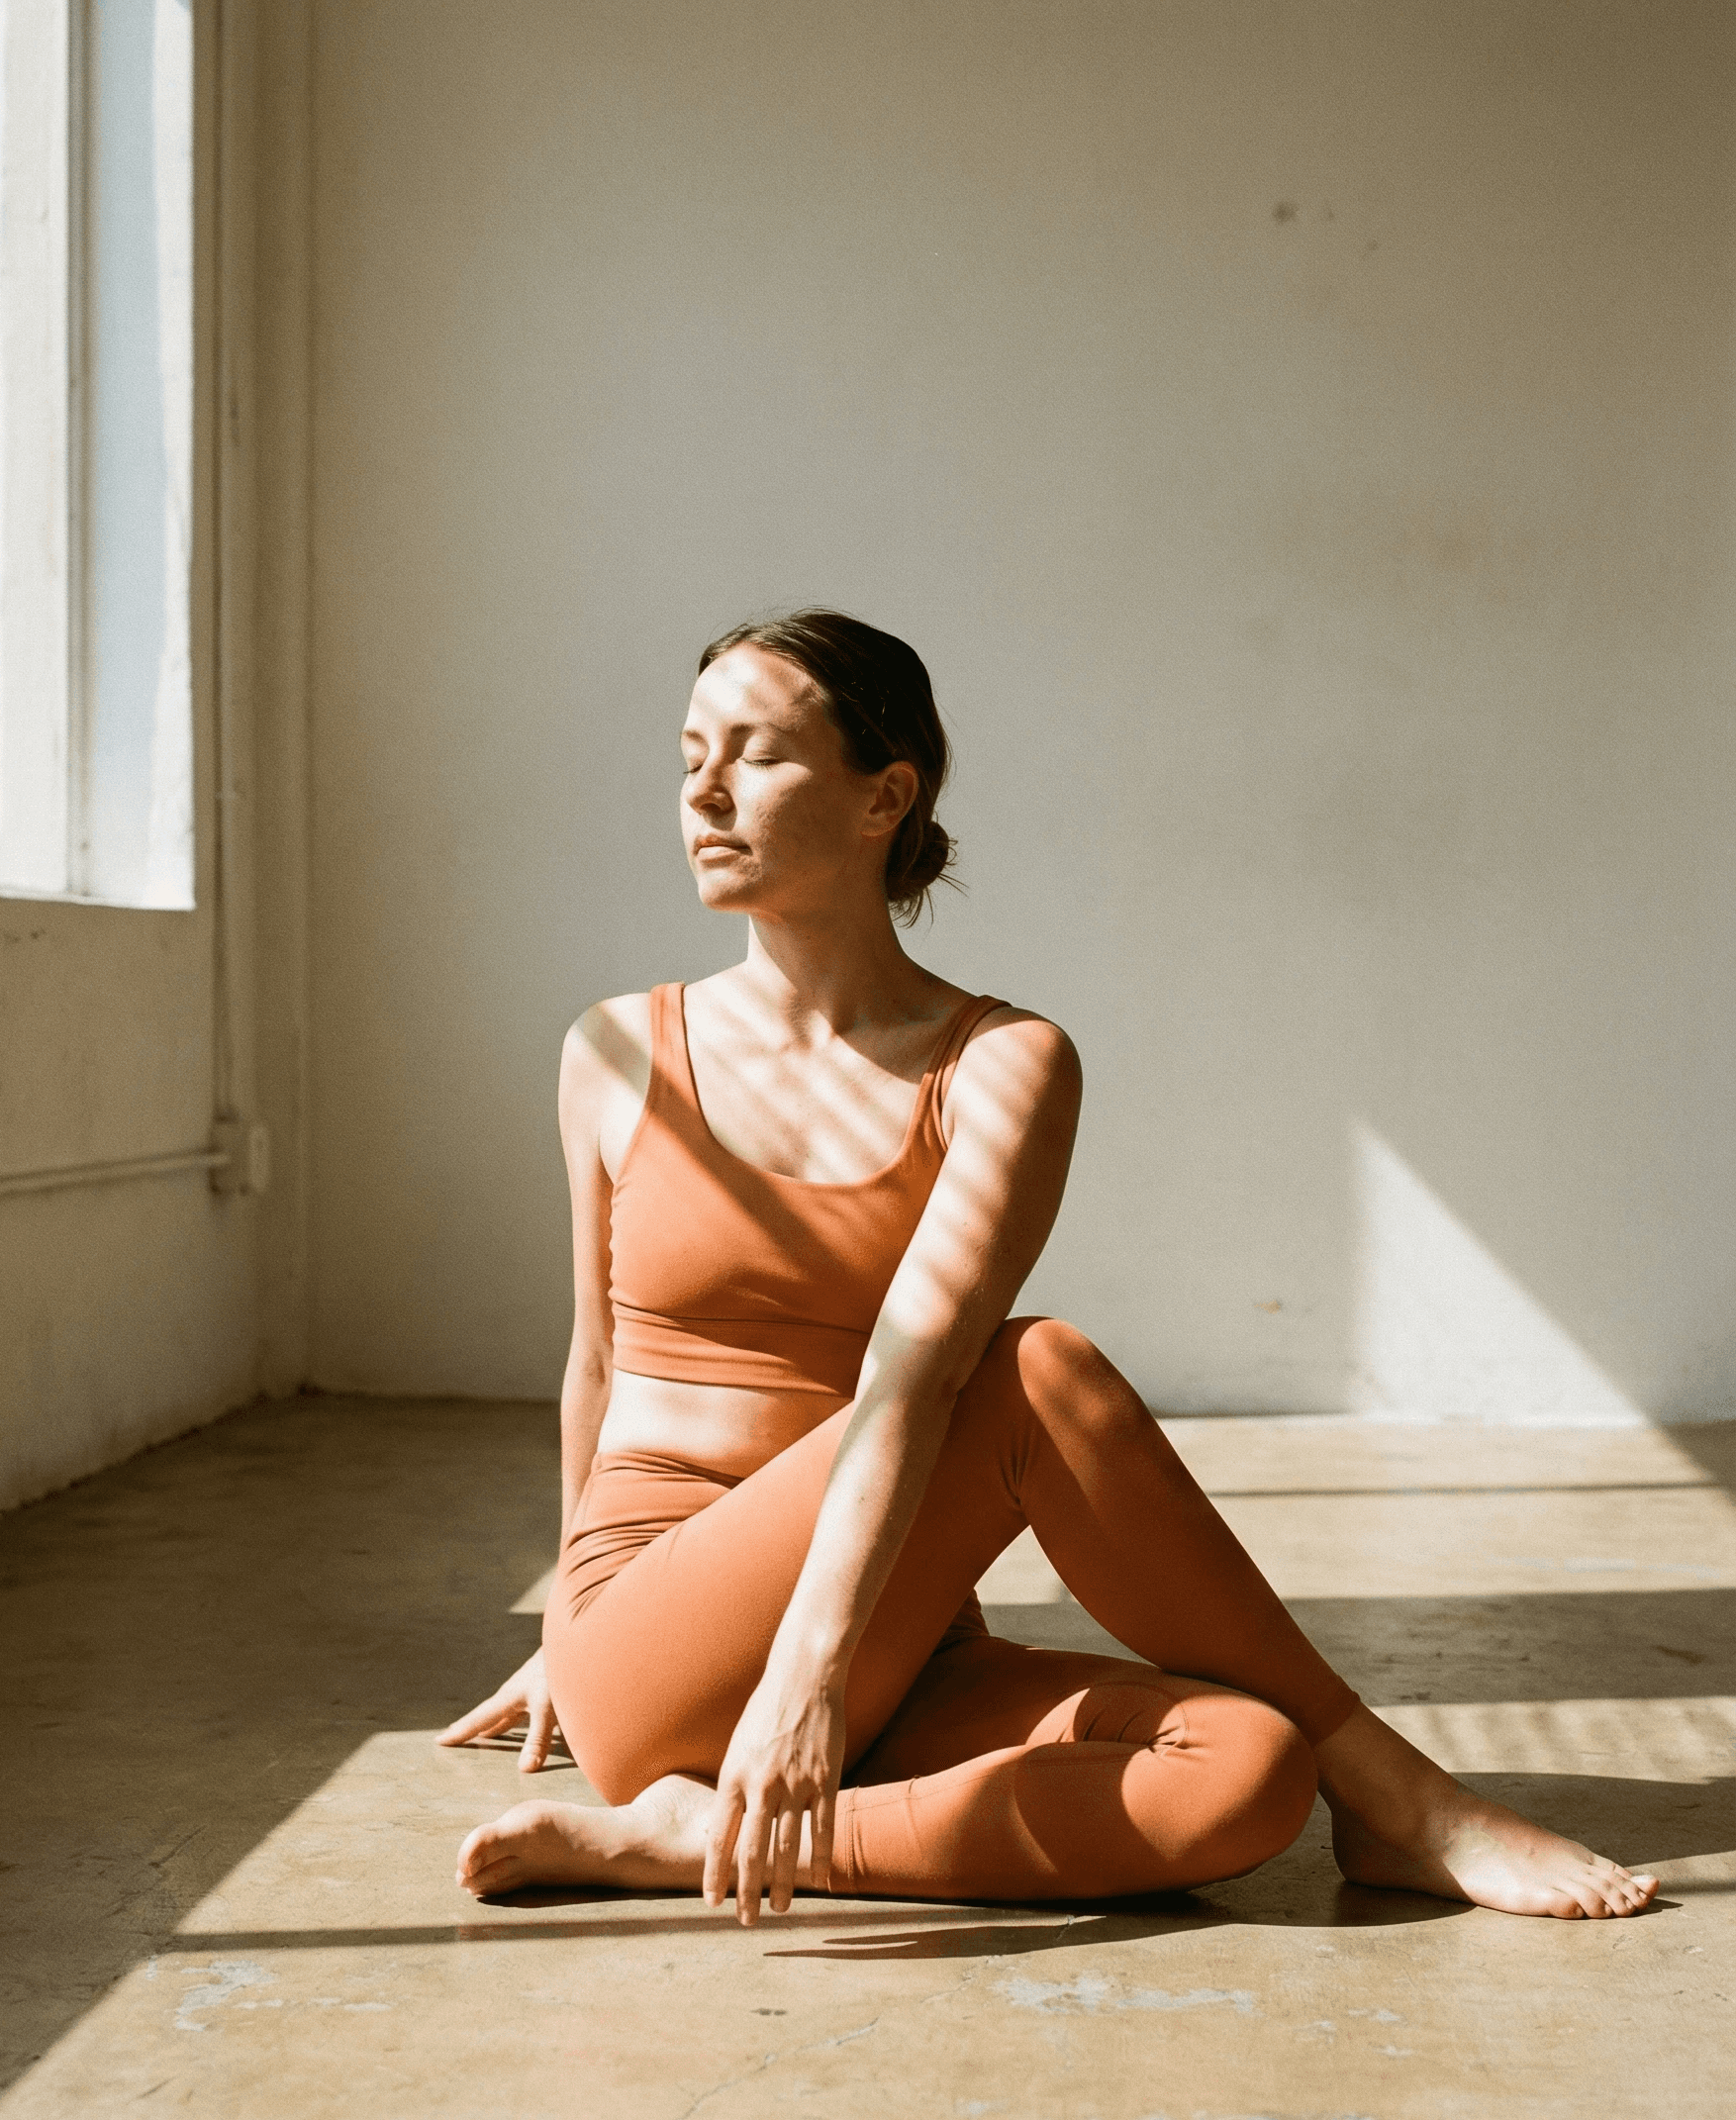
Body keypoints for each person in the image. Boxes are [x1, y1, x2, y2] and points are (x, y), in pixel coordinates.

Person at [440, 610, 1657, 1927]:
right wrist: (570, 1626)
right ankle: (1406, 1793)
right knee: (1039, 1369)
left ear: (884, 797)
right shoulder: (616, 1050)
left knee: (1245, 1770)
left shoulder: (1003, 1063)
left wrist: (815, 1666)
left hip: (875, 1637)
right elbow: (600, 1362)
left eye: (759, 754)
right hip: (656, 1632)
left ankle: (698, 1839)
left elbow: (913, 1381)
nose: (704, 789)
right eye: (689, 754)